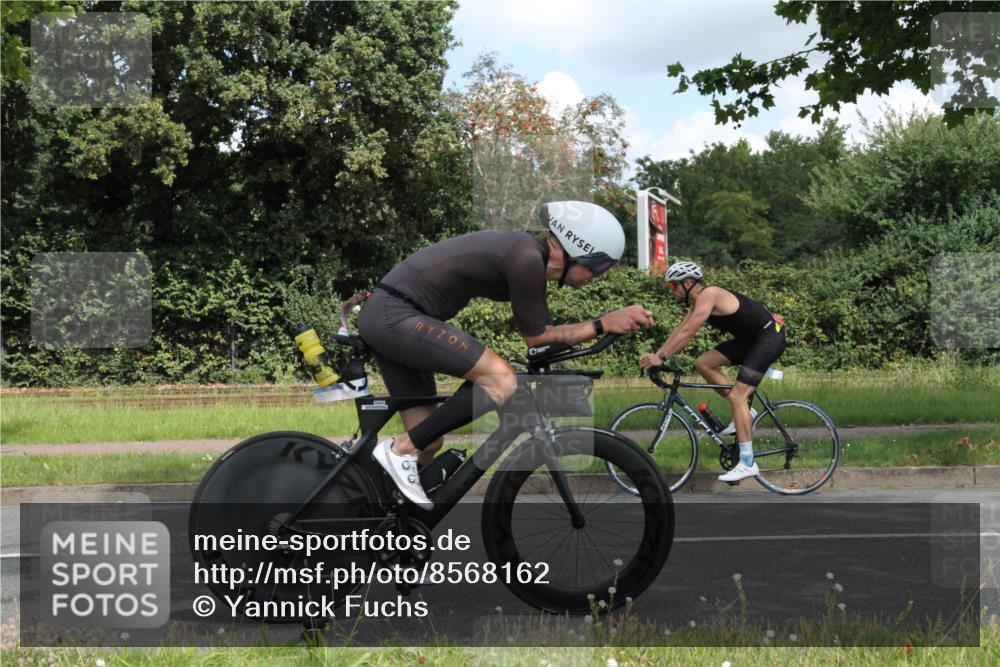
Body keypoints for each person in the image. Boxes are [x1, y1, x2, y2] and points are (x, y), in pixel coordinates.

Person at [358, 201, 655, 509]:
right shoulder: (526, 257)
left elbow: (543, 341)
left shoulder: (526, 256)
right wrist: (602, 323)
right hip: (395, 315)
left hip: (390, 315)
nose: (599, 276)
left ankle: (380, 519)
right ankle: (400, 450)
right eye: (599, 266)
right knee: (500, 380)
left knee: (429, 442)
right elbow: (537, 339)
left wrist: (603, 327)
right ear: (575, 249)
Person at [638, 260, 786, 482]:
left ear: (688, 283)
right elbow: (680, 331)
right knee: (703, 363)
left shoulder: (710, 294)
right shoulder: (695, 304)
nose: (672, 291)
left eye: (673, 286)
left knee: (738, 395)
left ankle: (747, 463)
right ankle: (745, 410)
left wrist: (660, 358)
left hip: (768, 337)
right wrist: (658, 355)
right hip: (750, 340)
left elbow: (689, 332)